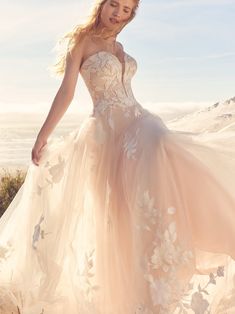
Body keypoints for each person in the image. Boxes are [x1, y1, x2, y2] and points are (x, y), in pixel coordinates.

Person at [0, 0, 235, 313]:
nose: (118, 13)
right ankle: (123, 301)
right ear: (102, 3)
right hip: (107, 136)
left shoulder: (120, 45)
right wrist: (43, 134)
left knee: (167, 158)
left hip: (138, 122)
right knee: (117, 219)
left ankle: (214, 234)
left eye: (126, 10)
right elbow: (66, 92)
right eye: (114, 4)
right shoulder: (82, 41)